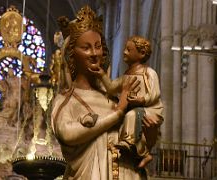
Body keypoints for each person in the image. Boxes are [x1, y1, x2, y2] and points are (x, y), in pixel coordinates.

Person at [51, 6, 149, 180]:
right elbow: (66, 132)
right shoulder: (66, 99)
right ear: (72, 55)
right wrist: (117, 113)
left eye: (97, 47)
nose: (94, 54)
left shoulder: (112, 97)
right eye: (86, 48)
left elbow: (133, 139)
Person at [90, 35, 164, 168]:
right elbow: (112, 88)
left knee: (131, 116)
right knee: (123, 117)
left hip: (150, 109)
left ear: (141, 54)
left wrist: (141, 99)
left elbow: (155, 93)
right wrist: (101, 75)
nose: (124, 52)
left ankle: (130, 144)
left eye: (129, 50)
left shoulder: (149, 73)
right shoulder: (126, 76)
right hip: (134, 110)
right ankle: (141, 152)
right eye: (125, 49)